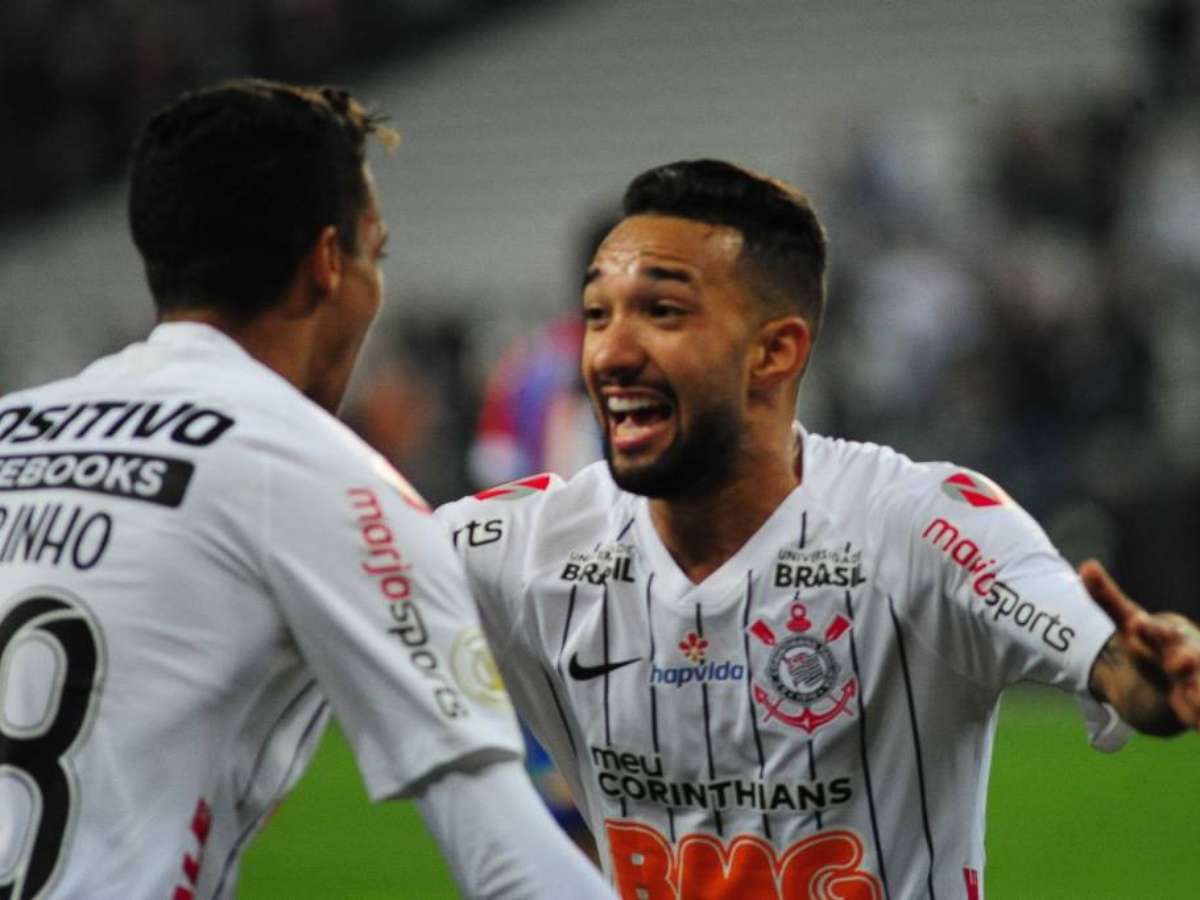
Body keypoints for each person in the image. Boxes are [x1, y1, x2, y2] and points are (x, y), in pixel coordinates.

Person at [436, 159, 1200, 899]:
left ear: (775, 351)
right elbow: (368, 571)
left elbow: (1105, 651)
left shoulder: (919, 526)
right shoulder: (532, 546)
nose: (609, 353)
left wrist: (1155, 675)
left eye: (662, 312)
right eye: (598, 315)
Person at [0, 79, 612, 900]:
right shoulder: (328, 480)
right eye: (376, 254)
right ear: (329, 264)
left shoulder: (12, 428)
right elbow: (506, 861)